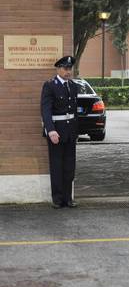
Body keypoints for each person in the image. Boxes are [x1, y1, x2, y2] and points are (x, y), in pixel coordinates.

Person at [40, 56, 79, 209]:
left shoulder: (73, 86)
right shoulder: (50, 86)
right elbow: (45, 110)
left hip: (70, 132)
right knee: (57, 165)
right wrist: (50, 130)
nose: (68, 71)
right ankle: (57, 199)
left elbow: (74, 112)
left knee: (69, 166)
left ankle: (68, 198)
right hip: (56, 132)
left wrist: (76, 132)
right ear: (58, 69)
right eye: (65, 68)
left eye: (70, 68)